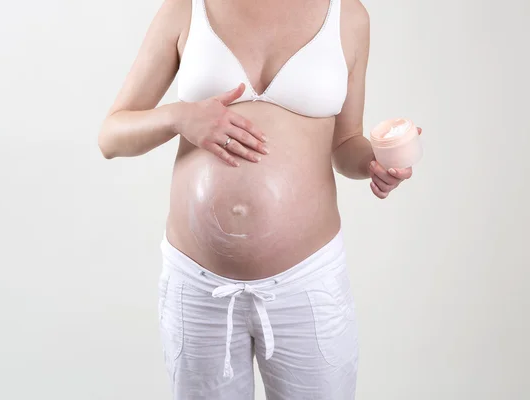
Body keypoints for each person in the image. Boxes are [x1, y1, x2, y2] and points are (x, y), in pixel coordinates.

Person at [98, 0, 421, 398]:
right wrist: (179, 117)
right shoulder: (187, 8)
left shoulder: (349, 16)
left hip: (307, 282)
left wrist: (374, 160)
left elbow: (346, 142)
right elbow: (111, 135)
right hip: (199, 285)